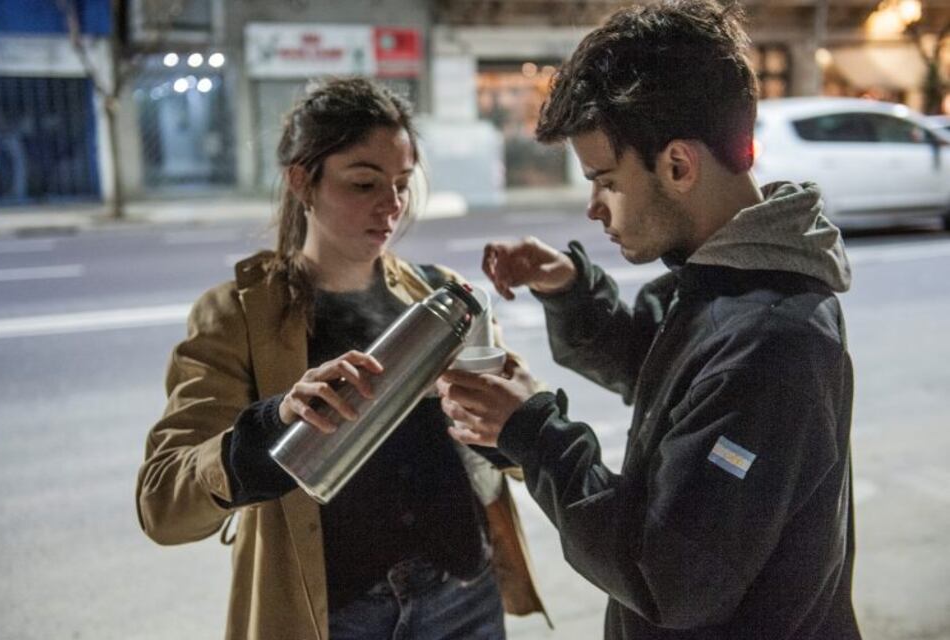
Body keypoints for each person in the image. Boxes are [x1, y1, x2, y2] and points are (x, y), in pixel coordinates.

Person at [436, 2, 861, 639]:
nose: (593, 208)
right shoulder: (724, 281)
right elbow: (666, 375)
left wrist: (534, 432)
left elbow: (666, 575)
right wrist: (572, 290)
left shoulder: (774, 339)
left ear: (679, 166)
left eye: (605, 180)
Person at [136, 77, 547, 640]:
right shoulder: (237, 317)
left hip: (461, 596)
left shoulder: (437, 295)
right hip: (334, 613)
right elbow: (163, 503)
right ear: (302, 180)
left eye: (402, 183)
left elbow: (522, 449)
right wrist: (273, 423)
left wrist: (513, 414)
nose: (392, 205)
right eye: (364, 183)